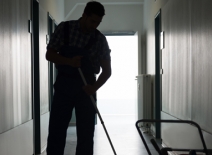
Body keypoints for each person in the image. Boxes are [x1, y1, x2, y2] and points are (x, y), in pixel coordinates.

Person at [45, 1, 111, 155]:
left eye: (98, 22)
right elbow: (49, 54)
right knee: (56, 132)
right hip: (63, 87)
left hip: (86, 90)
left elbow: (107, 71)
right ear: (84, 15)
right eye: (93, 21)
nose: (95, 25)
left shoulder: (100, 40)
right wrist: (69, 61)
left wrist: (93, 88)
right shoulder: (64, 29)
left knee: (86, 135)